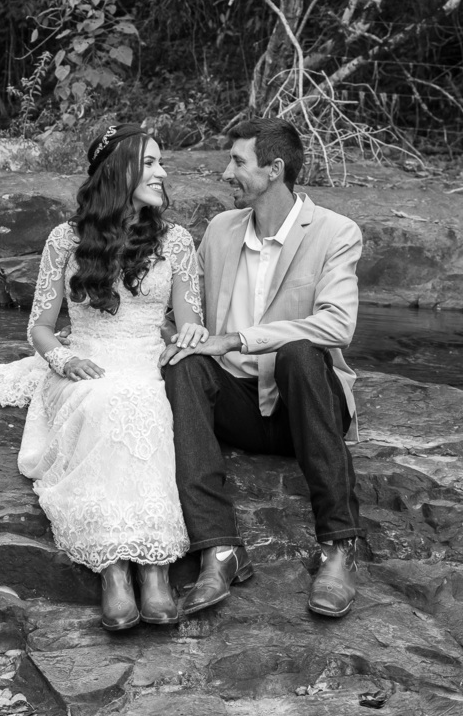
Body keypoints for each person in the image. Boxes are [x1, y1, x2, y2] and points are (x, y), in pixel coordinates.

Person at [0, 124, 209, 630]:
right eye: (152, 163)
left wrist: (187, 339)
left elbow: (191, 322)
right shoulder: (65, 240)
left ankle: (155, 567)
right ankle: (114, 568)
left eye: (162, 163)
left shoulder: (177, 241)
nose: (163, 173)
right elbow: (41, 329)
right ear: (120, 172)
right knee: (105, 401)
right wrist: (63, 362)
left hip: (147, 361)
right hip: (86, 360)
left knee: (148, 403)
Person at [158, 117, 366, 618]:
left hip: (305, 406)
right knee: (184, 364)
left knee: (298, 351)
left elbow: (337, 326)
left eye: (237, 162)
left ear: (274, 170)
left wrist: (236, 339)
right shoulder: (220, 230)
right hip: (238, 407)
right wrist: (181, 334)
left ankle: (338, 549)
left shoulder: (336, 233)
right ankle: (219, 549)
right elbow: (181, 312)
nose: (226, 172)